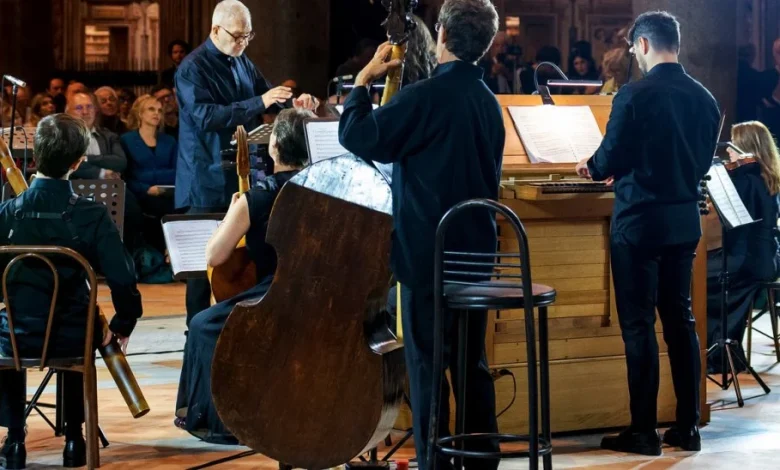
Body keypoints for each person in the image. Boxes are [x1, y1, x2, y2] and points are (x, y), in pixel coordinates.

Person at [338, 1, 503, 469]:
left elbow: (359, 136)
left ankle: (435, 460)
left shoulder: (426, 96)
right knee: (471, 361)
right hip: (476, 256)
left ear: (443, 35)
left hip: (427, 254)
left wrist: (364, 80)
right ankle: (480, 457)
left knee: (428, 364)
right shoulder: (490, 103)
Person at [575, 11, 720, 455]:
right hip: (682, 222)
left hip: (638, 222)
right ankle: (688, 427)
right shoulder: (706, 100)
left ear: (640, 45)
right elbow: (699, 165)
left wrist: (591, 168)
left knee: (638, 327)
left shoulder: (634, 96)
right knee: (681, 323)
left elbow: (610, 156)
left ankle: (643, 432)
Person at [0, 114, 142, 469]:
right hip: (70, 336)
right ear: (78, 162)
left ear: (33, 155)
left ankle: (14, 440)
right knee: (83, 325)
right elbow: (123, 279)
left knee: (5, 334)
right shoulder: (91, 215)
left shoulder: (6, 213)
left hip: (14, 336)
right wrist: (124, 323)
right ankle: (76, 441)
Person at [174, 107, 315, 444]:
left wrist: (230, 217)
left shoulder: (259, 196)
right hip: (321, 297)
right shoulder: (328, 189)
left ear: (275, 148)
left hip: (275, 296)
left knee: (203, 325)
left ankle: (218, 420)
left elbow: (214, 255)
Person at [175, 0, 319, 321]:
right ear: (215, 30)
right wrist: (260, 100)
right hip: (205, 176)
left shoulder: (242, 61)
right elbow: (204, 116)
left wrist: (298, 104)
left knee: (243, 258)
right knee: (204, 268)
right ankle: (196, 330)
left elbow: (270, 97)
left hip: (238, 170)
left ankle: (237, 324)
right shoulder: (191, 68)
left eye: (248, 36)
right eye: (238, 36)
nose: (243, 43)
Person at [705, 121, 780, 373]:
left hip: (748, 260)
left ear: (746, 147)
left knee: (701, 279)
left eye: (733, 145)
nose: (728, 151)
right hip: (765, 255)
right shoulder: (765, 174)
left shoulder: (747, 178)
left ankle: (717, 352)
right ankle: (722, 348)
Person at [120, 95, 177, 253]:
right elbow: (127, 175)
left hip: (169, 192)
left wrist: (148, 177)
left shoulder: (169, 141)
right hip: (140, 194)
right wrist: (146, 188)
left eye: (159, 110)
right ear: (140, 113)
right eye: (151, 109)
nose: (156, 113)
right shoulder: (126, 140)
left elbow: (177, 172)